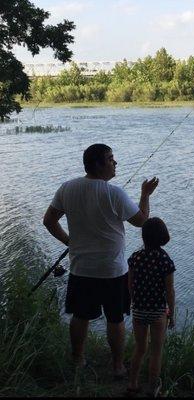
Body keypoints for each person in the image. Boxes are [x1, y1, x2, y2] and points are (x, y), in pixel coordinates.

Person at [43, 143, 159, 378]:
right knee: (115, 319)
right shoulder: (114, 193)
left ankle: (77, 360)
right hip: (112, 271)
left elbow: (49, 221)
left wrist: (69, 242)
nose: (115, 162)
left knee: (80, 316)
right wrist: (145, 194)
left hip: (80, 268)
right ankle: (117, 366)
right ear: (97, 164)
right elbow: (143, 221)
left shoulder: (67, 188)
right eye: (110, 159)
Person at [127, 217, 176, 397]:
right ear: (163, 236)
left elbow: (130, 285)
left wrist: (134, 302)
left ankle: (132, 383)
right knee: (156, 351)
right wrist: (171, 313)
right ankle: (152, 388)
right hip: (157, 313)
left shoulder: (135, 257)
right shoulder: (165, 260)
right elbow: (169, 291)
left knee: (140, 348)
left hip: (139, 310)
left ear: (144, 236)